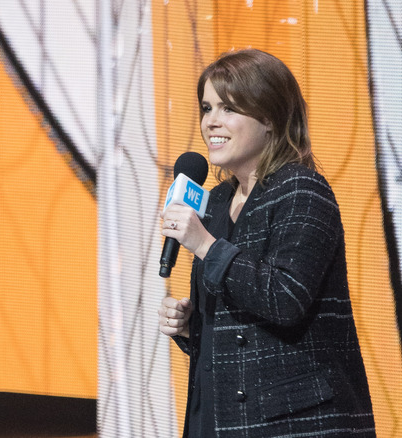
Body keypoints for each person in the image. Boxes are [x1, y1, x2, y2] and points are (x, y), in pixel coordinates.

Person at [158, 48, 375, 437]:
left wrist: (206, 245)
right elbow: (245, 323)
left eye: (228, 108)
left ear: (270, 118)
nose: (212, 122)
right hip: (220, 418)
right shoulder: (218, 201)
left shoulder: (302, 189)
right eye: (207, 108)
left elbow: (285, 298)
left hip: (295, 423)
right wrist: (194, 328)